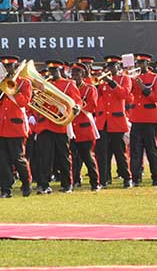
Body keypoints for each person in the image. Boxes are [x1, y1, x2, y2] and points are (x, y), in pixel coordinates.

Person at [33, 60, 80, 194]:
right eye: (50, 71)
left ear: (61, 70)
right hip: (44, 125)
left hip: (60, 125)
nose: (52, 73)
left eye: (55, 70)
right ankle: (44, 184)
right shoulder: (44, 84)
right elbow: (36, 103)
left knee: (63, 156)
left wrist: (76, 108)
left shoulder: (69, 84)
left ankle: (67, 184)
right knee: (44, 157)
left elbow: (77, 101)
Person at [0, 58, 33, 198]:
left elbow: (24, 102)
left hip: (16, 126)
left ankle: (26, 184)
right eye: (6, 65)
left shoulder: (24, 82)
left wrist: (13, 90)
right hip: (1, 126)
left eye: (11, 65)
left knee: (18, 158)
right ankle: (5, 189)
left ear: (16, 66)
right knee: (2, 160)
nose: (8, 68)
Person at [127, 54, 157, 187]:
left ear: (147, 63)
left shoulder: (156, 78)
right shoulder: (133, 78)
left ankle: (156, 177)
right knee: (135, 150)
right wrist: (127, 78)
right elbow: (128, 94)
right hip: (136, 118)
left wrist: (143, 88)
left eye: (142, 63)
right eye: (138, 63)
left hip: (150, 119)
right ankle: (135, 178)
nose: (139, 65)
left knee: (152, 150)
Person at [96, 56, 132, 188]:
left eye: (113, 66)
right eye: (108, 66)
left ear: (118, 67)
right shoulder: (102, 82)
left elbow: (125, 95)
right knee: (102, 152)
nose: (110, 69)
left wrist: (111, 82)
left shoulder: (125, 79)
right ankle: (103, 180)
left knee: (119, 152)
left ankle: (127, 178)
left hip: (117, 121)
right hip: (103, 121)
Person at [69, 63, 101, 191]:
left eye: (77, 75)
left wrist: (79, 106)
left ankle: (95, 182)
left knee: (87, 157)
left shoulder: (90, 89)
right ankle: (75, 180)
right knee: (73, 158)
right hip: (72, 127)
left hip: (85, 127)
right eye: (73, 75)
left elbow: (93, 107)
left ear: (82, 75)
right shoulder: (69, 88)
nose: (74, 77)